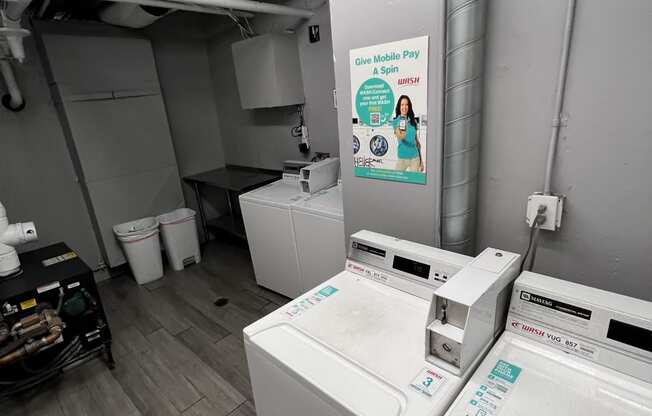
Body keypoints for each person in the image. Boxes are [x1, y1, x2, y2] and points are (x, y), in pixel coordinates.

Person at [392, 95, 423, 172]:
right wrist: (401, 132)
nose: (404, 107)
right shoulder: (395, 122)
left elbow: (417, 143)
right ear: (399, 107)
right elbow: (400, 136)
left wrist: (421, 161)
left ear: (409, 107)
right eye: (402, 105)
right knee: (396, 180)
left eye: (406, 105)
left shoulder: (413, 122)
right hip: (401, 158)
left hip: (414, 158)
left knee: (415, 183)